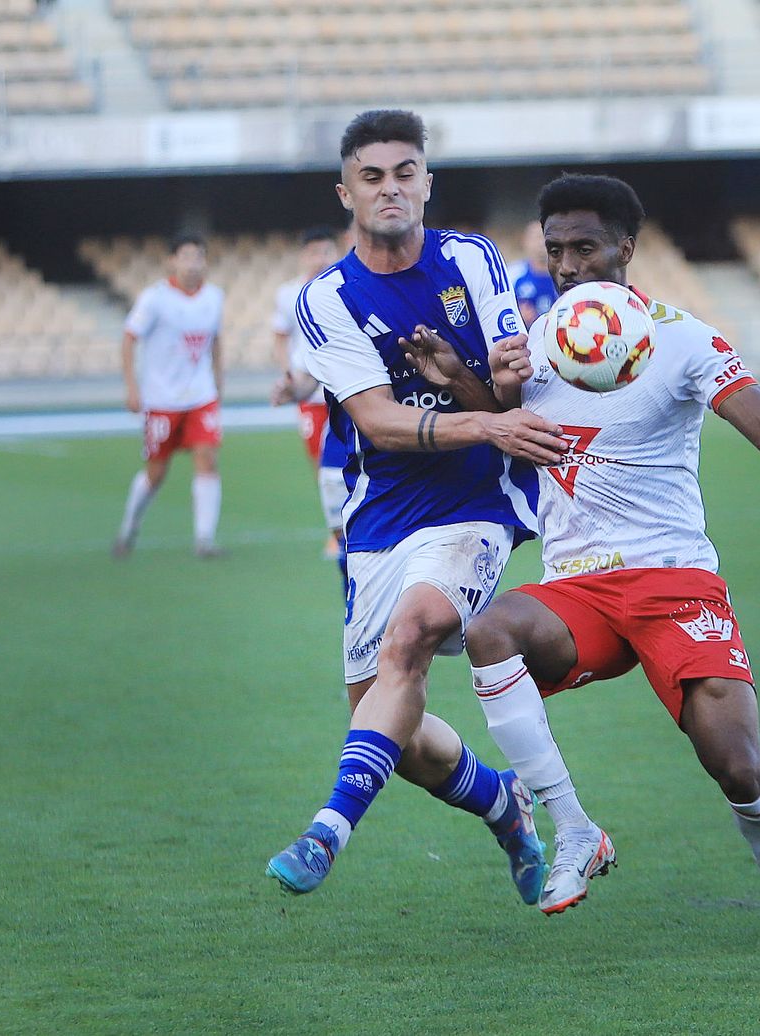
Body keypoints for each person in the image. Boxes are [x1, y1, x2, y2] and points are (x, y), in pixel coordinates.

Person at [448, 174, 760, 939]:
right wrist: (474, 386)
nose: (567, 265)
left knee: (736, 764)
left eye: (585, 247)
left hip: (675, 581)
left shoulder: (683, 338)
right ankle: (574, 829)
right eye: (555, 249)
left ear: (626, 248)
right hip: (578, 589)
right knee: (489, 631)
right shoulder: (534, 345)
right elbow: (508, 438)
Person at [265, 109, 571, 901]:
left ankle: (326, 832)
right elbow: (376, 421)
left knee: (413, 636)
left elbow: (506, 398)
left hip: (477, 498)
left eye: (405, 173)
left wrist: (499, 381)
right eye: (372, 177)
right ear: (346, 193)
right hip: (380, 512)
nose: (390, 189)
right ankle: (503, 803)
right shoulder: (327, 298)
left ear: (427, 183)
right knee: (388, 729)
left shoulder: (473, 259)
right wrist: (487, 417)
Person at [113, 233, 225, 559]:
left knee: (207, 459)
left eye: (198, 257)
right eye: (186, 256)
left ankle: (204, 539)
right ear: (171, 261)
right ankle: (129, 528)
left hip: (201, 395)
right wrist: (132, 388)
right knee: (156, 472)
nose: (193, 264)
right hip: (162, 399)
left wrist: (218, 381)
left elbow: (216, 340)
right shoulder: (154, 299)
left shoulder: (214, 297)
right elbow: (129, 339)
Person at [270, 226, 348, 561]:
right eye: (315, 252)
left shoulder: (346, 287)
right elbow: (281, 335)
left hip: (346, 393)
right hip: (310, 390)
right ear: (304, 256)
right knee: (323, 464)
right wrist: (289, 374)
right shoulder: (290, 294)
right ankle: (336, 529)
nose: (321, 258)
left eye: (327, 251)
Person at [509, 221, 557, 329]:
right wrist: (516, 315)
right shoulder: (512, 273)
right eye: (536, 238)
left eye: (544, 237)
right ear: (525, 241)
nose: (540, 243)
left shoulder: (565, 274)